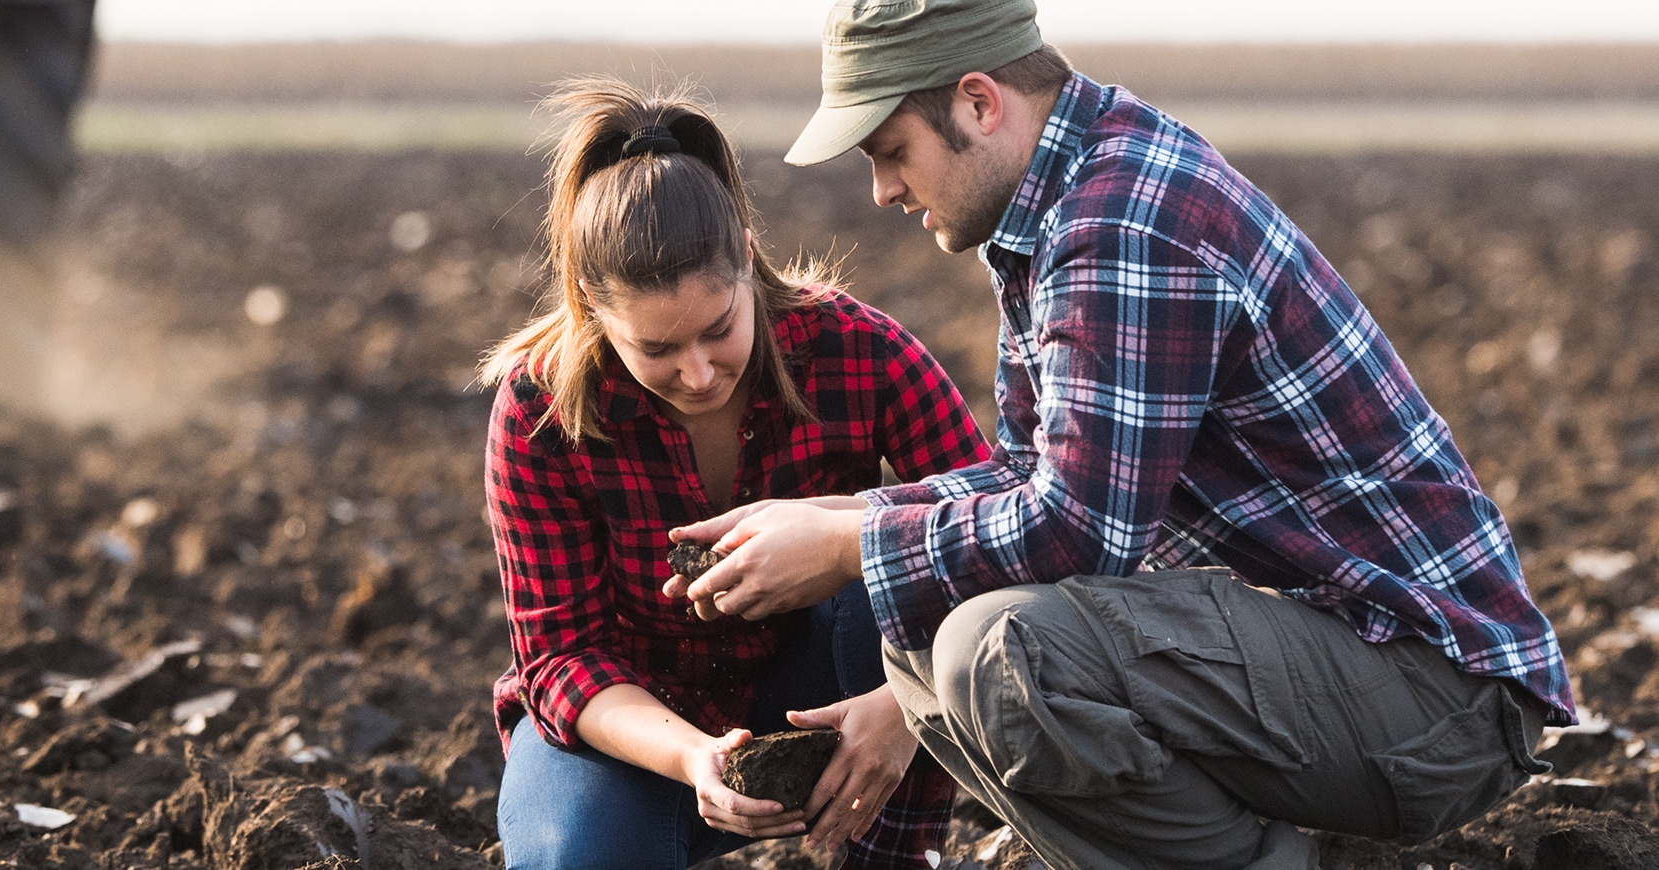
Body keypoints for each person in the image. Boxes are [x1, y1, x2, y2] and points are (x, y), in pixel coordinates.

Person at [669, 1, 1576, 867]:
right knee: (928, 621)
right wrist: (841, 513)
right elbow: (1027, 473)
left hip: (1433, 692)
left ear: (978, 104)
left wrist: (849, 541)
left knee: (994, 650)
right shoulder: (1059, 199)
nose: (882, 190)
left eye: (891, 150)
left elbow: (1079, 530)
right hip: (1343, 660)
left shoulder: (1121, 224)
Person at [481, 76, 990, 870]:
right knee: (571, 853)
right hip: (637, 723)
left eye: (719, 330)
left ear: (747, 261)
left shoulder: (858, 352)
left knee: (890, 548)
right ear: (590, 307)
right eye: (655, 350)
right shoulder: (540, 410)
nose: (697, 373)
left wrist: (906, 707)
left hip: (838, 688)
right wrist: (692, 758)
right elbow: (559, 654)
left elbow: (992, 530)